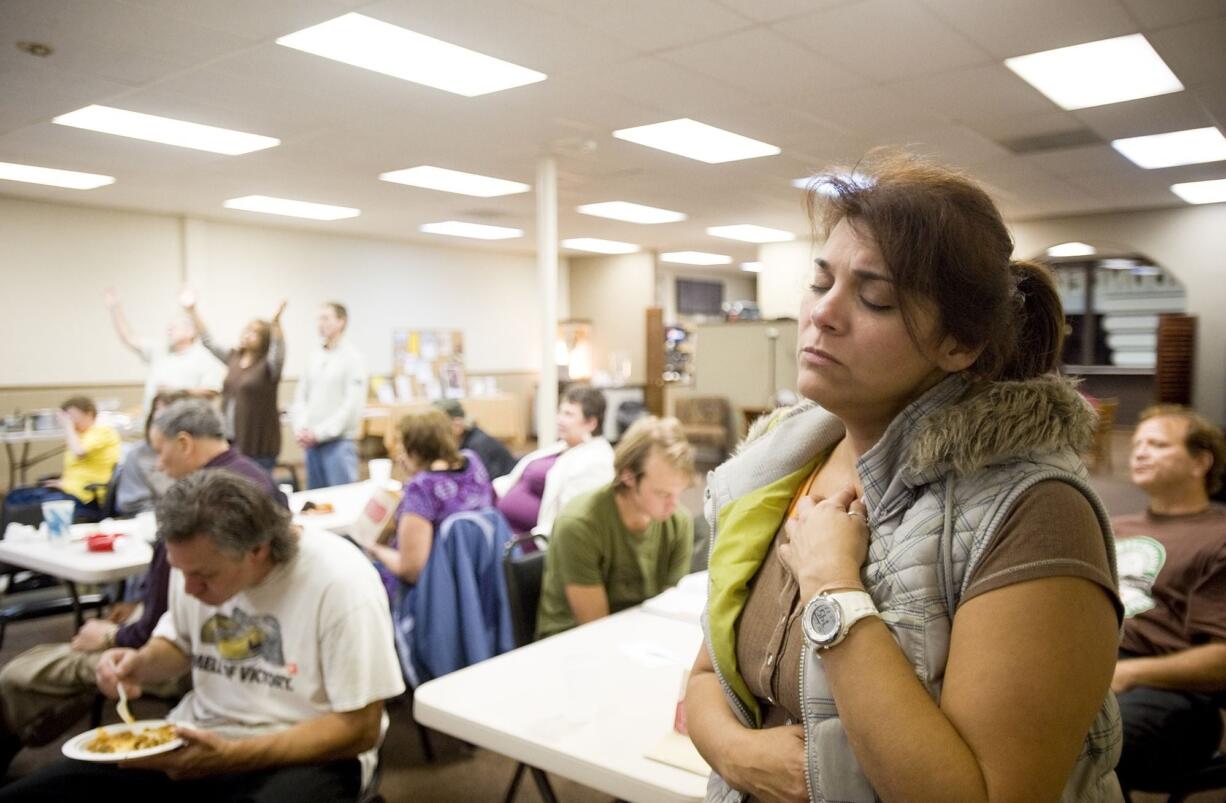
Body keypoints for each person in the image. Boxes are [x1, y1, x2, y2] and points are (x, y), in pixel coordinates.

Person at [685, 153, 1123, 802]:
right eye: (820, 281)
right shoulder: (778, 463)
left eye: (874, 298)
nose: (823, 314)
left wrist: (832, 584)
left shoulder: (1035, 512)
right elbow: (705, 676)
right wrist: (739, 753)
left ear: (959, 345)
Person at [0, 471, 404, 802]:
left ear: (258, 550)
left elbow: (359, 729)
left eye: (203, 576)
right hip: (197, 735)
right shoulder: (195, 563)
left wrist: (231, 756)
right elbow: (178, 643)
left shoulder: (340, 583)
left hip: (308, 751)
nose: (189, 588)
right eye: (182, 572)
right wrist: (138, 664)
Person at [0, 400, 286, 773]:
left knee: (22, 673)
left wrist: (112, 636)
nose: (159, 464)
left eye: (159, 451)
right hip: (222, 644)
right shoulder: (254, 478)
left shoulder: (203, 507)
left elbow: (161, 625)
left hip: (201, 654)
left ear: (184, 443)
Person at [1111, 405, 1226, 791]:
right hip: (1094, 664)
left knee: (1076, 746)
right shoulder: (1112, 526)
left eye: (1158, 444)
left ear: (1200, 463)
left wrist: (1128, 673)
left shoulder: (1219, 536)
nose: (1139, 451)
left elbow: (1221, 660)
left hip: (1168, 688)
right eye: (1139, 443)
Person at [535, 415, 695, 639]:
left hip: (641, 637)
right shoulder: (579, 524)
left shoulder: (678, 522)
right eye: (663, 494)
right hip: (572, 643)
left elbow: (670, 607)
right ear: (627, 476)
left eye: (678, 493)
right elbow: (596, 628)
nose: (673, 504)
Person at [364, 409, 494, 598]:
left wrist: (374, 549)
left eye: (402, 446)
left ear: (414, 449)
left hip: (434, 591)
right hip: (478, 572)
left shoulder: (421, 488)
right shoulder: (473, 462)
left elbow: (411, 570)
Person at [180, 290, 287, 473]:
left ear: (265, 340)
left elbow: (278, 353)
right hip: (230, 439)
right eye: (247, 330)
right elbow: (209, 342)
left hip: (258, 444)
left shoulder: (268, 367)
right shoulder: (234, 358)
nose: (247, 335)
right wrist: (193, 311)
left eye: (255, 333)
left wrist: (276, 325)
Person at [493, 386, 614, 536]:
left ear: (591, 423)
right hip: (503, 521)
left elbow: (572, 519)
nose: (559, 419)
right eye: (560, 412)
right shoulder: (565, 446)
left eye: (568, 414)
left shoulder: (597, 461)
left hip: (527, 542)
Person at [104, 287, 222, 412]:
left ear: (191, 331)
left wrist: (176, 392)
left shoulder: (204, 357)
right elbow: (130, 339)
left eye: (174, 328)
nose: (169, 331)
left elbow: (211, 391)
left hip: (184, 421)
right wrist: (115, 309)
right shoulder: (159, 350)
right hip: (154, 421)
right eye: (169, 328)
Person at [4, 396, 120, 520]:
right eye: (67, 417)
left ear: (88, 414)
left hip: (86, 499)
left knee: (19, 507)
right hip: (70, 491)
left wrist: (68, 427)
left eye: (72, 416)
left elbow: (79, 452)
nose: (70, 421)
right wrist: (61, 482)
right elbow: (78, 469)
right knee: (14, 495)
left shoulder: (102, 432)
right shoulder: (80, 435)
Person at [292, 302, 367, 489]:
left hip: (338, 444)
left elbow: (351, 406)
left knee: (343, 501)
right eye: (319, 319)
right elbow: (301, 396)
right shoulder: (314, 356)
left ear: (341, 321)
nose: (320, 324)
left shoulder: (353, 358)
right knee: (316, 503)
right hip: (312, 444)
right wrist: (301, 428)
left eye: (326, 318)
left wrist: (320, 433)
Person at [111, 390, 185, 515]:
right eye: (158, 420)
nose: (160, 464)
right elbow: (132, 504)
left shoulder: (195, 454)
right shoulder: (138, 455)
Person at [433, 398, 516, 479]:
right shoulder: (463, 440)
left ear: (457, 425)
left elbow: (483, 480)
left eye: (439, 428)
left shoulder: (477, 445)